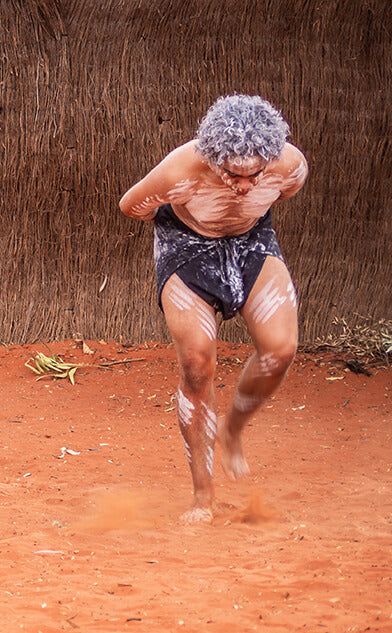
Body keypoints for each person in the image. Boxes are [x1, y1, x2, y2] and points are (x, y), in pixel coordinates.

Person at [119, 95, 309, 522]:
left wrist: (240, 216)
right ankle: (203, 498)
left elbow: (285, 192)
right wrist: (186, 213)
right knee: (196, 365)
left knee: (280, 350)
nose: (243, 186)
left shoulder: (288, 165)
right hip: (187, 247)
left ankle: (233, 428)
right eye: (232, 175)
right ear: (213, 157)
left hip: (251, 242)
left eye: (253, 175)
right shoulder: (180, 169)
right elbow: (131, 207)